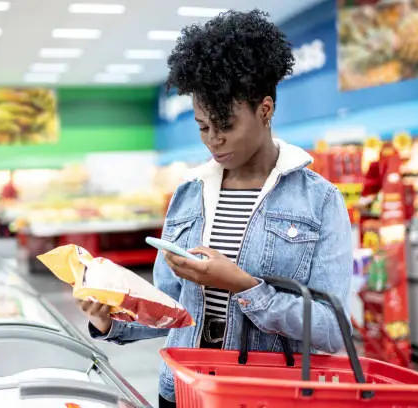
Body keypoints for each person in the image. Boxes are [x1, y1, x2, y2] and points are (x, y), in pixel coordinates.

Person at [77, 9, 353, 407]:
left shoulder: (319, 201)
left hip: (266, 395)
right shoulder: (189, 194)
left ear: (265, 109)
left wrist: (243, 286)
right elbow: (171, 310)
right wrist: (108, 315)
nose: (213, 141)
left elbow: (330, 330)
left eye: (226, 125)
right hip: (183, 391)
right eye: (204, 126)